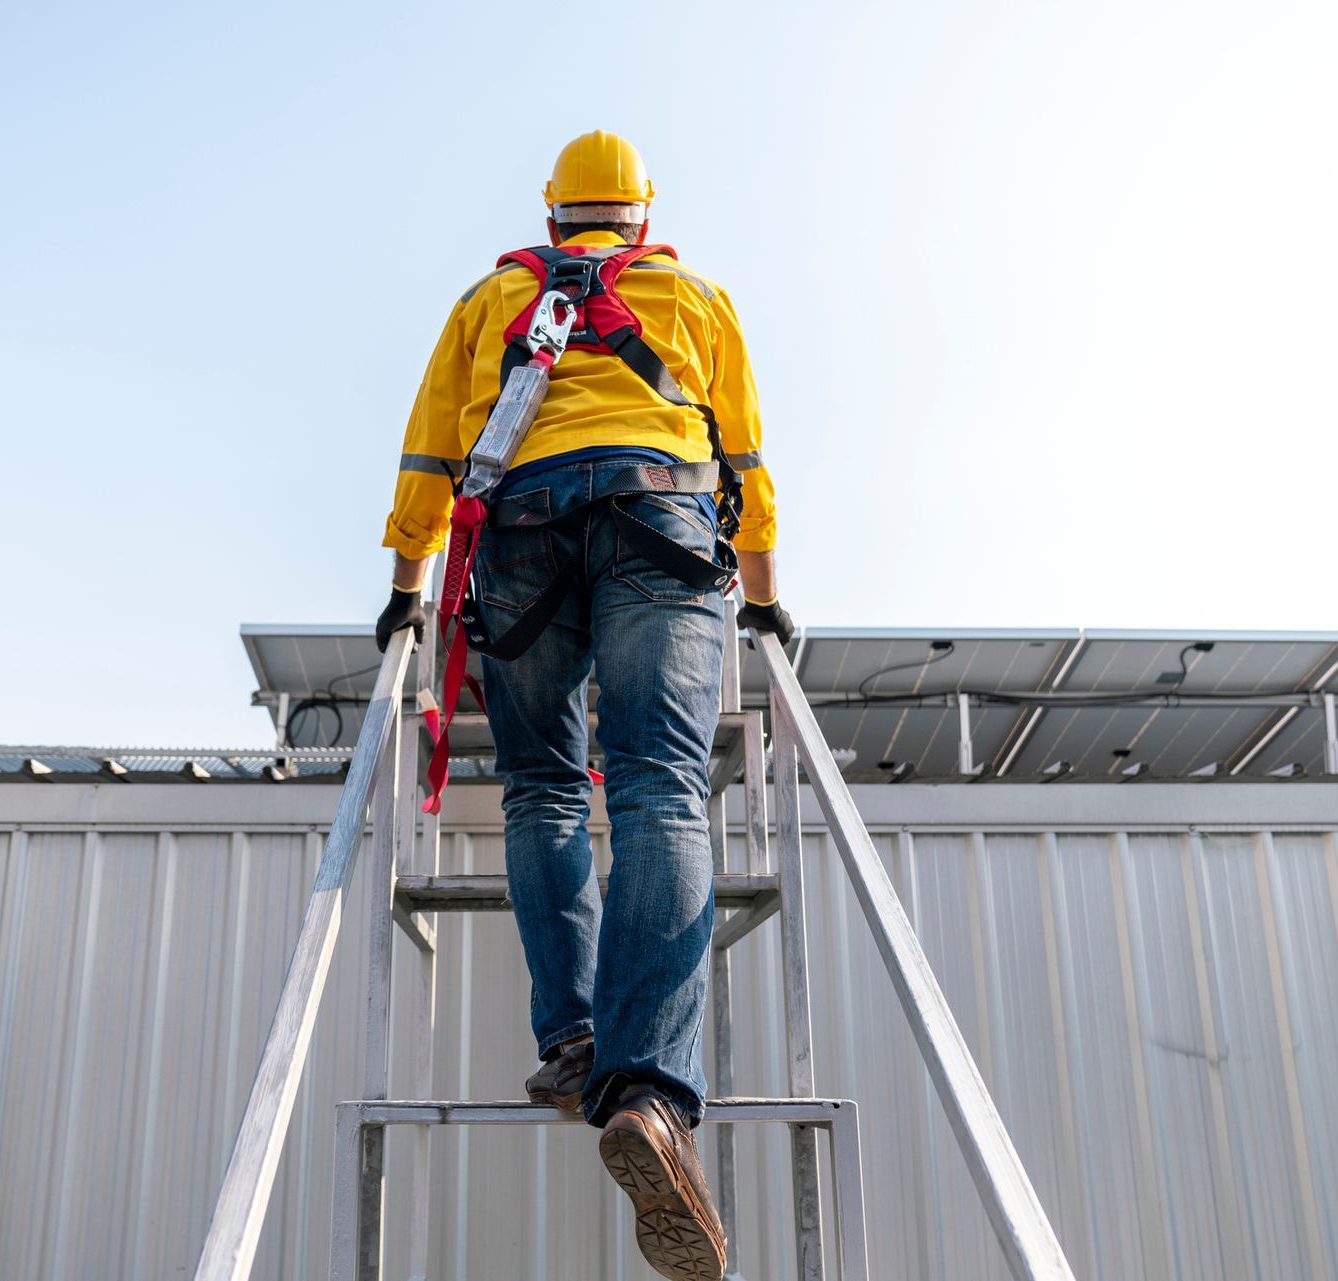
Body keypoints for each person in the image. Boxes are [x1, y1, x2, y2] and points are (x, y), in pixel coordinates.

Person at [374, 129, 791, 1281]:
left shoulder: (490, 299)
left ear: (555, 217)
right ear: (640, 218)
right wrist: (765, 601)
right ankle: (648, 1089)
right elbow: (742, 466)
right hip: (663, 517)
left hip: (522, 527)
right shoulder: (694, 296)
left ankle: (572, 1043)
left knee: (548, 787)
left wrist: (407, 585)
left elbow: (428, 455)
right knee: (659, 788)